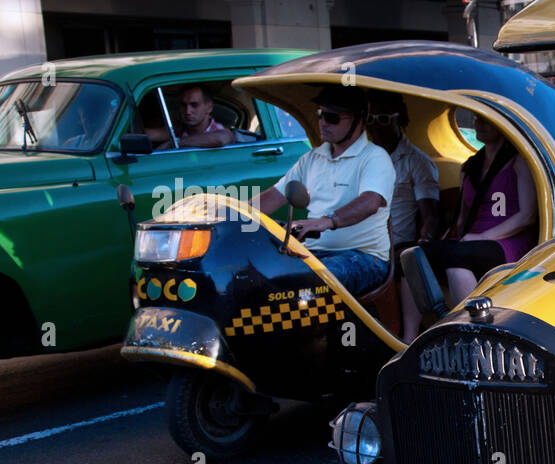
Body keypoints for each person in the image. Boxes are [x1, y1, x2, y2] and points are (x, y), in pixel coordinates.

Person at [252, 85, 395, 296]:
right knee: (252, 278)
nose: (323, 123)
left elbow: (371, 201)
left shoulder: (375, 157)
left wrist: (326, 221)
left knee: (310, 283)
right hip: (312, 254)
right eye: (320, 114)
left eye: (332, 117)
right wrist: (230, 214)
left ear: (358, 120)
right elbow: (275, 196)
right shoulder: (311, 158)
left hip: (364, 258)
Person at [417, 111, 537, 325]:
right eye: (477, 119)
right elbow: (463, 218)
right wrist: (447, 240)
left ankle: (473, 329)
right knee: (414, 256)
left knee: (457, 258)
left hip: (508, 240)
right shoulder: (470, 166)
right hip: (473, 240)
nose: (479, 124)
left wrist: (483, 237)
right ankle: (410, 336)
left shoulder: (518, 162)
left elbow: (527, 216)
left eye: (487, 120)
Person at [366, 91, 440, 342]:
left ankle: (403, 339)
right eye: (370, 118)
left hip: (396, 244)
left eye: (383, 119)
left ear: (400, 120)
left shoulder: (417, 162)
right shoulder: (361, 159)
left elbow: (431, 215)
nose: (375, 125)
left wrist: (422, 245)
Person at [147, 85, 235, 148]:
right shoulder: (178, 129)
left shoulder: (219, 131)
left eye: (194, 105)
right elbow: (149, 135)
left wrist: (174, 143)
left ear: (209, 107)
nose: (188, 111)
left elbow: (221, 138)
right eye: (183, 105)